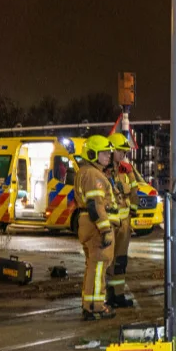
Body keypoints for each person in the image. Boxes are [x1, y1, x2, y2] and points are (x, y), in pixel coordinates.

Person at [73, 135, 118, 320]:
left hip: (88, 224)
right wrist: (106, 229)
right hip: (96, 227)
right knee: (99, 266)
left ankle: (90, 304)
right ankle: (95, 306)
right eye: (104, 153)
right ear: (92, 154)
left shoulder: (85, 172)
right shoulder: (93, 175)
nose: (108, 156)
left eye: (109, 153)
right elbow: (95, 205)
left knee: (93, 266)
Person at [106, 132, 140, 308]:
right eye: (120, 152)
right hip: (110, 223)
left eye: (125, 153)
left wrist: (133, 212)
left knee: (120, 260)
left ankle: (118, 295)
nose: (123, 156)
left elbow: (134, 192)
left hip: (124, 223)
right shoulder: (103, 171)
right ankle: (107, 295)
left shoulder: (127, 170)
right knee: (107, 260)